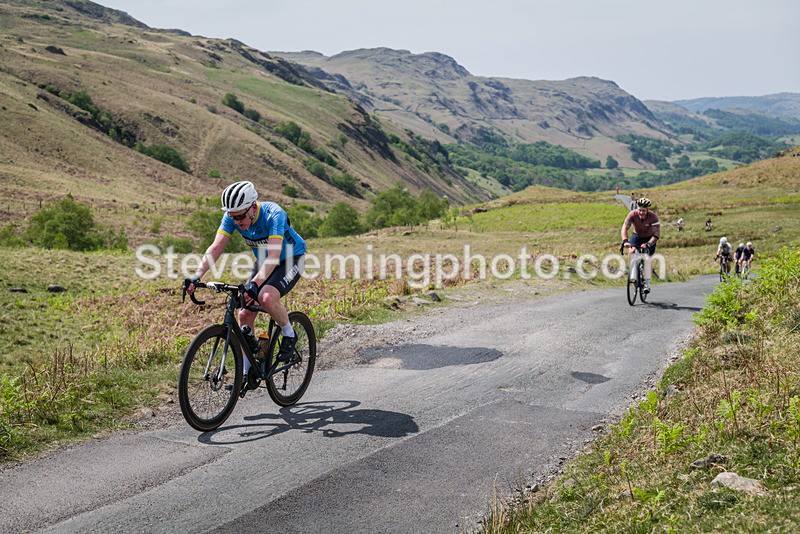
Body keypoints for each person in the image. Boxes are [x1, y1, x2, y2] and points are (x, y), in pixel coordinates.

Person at [184, 181, 307, 390]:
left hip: (291, 258)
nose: (237, 220)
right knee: (244, 314)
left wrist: (255, 284)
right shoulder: (232, 216)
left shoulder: (273, 214)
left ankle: (288, 333)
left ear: (253, 207)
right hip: (264, 262)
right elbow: (215, 248)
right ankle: (246, 372)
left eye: (240, 216)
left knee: (266, 297)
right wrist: (196, 275)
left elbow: (275, 255)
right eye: (233, 217)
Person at [621, 197, 660, 294]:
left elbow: (656, 235)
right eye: (640, 210)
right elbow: (624, 228)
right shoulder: (632, 214)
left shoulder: (653, 217)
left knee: (646, 259)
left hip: (650, 238)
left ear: (647, 210)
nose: (641, 213)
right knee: (632, 251)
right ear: (637, 209)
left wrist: (648, 244)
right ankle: (634, 275)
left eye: (643, 211)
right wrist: (625, 240)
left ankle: (646, 284)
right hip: (637, 236)